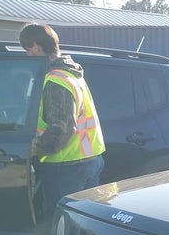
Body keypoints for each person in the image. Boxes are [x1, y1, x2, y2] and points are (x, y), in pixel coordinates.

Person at [19, 23, 106, 220]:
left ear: (35, 46)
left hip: (66, 167)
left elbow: (60, 130)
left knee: (64, 224)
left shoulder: (55, 81)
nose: (27, 55)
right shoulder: (72, 75)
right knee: (85, 221)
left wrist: (31, 150)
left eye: (27, 49)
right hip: (89, 159)